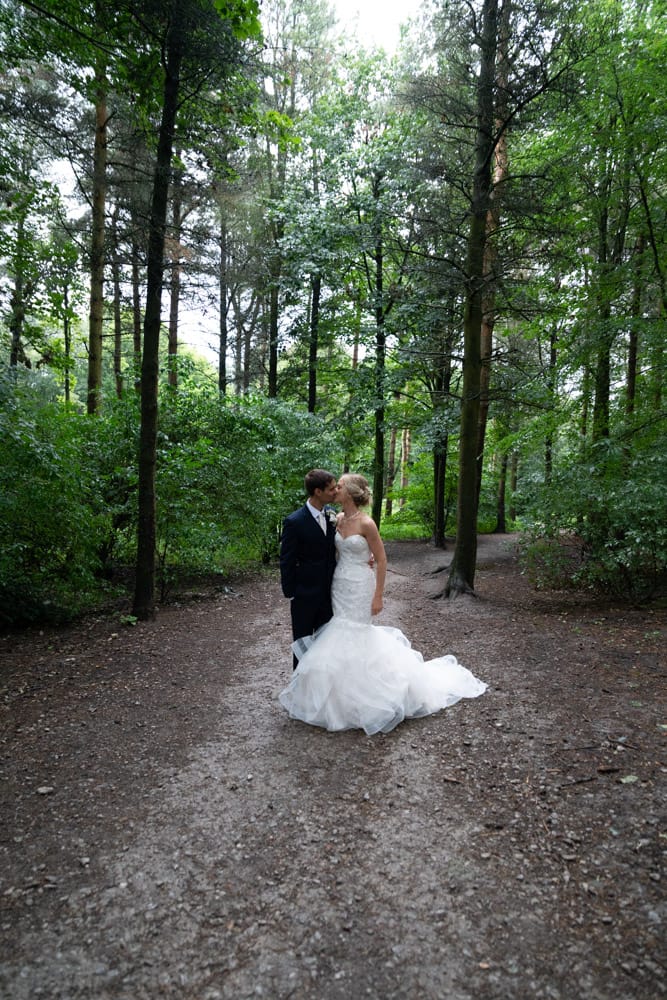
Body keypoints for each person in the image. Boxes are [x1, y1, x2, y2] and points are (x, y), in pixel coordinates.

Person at [279, 473, 487, 735]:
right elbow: (325, 552)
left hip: (359, 586)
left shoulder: (366, 522)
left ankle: (360, 695)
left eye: (339, 486)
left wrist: (378, 594)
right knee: (331, 635)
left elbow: (381, 559)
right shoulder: (336, 518)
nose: (336, 490)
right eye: (333, 487)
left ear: (350, 492)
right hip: (338, 585)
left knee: (355, 632)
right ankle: (318, 693)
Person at [279, 469, 339, 669]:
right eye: (331, 489)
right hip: (304, 595)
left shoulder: (332, 515)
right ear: (317, 492)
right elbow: (286, 560)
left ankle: (321, 684)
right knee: (302, 646)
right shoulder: (294, 521)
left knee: (327, 646)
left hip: (330, 595)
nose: (336, 492)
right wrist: (292, 592)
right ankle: (300, 685)